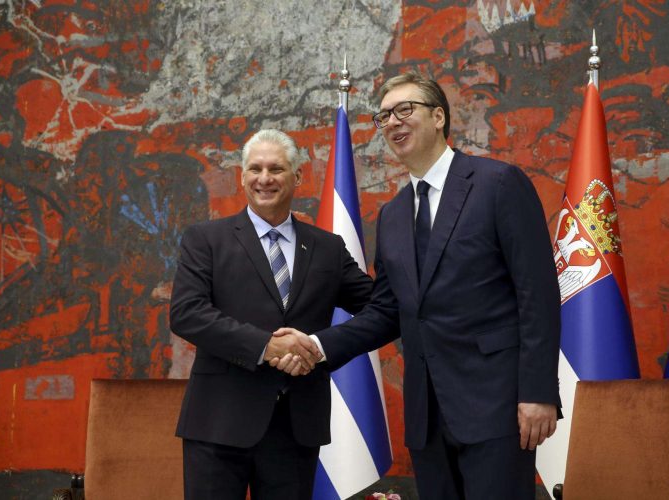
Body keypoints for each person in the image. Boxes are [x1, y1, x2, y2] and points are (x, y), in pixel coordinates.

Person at [274, 73, 562, 500]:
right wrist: (318, 346)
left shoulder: (498, 184)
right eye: (384, 115)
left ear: (439, 116)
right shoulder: (391, 215)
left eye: (405, 109)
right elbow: (387, 311)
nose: (392, 122)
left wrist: (539, 393)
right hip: (427, 416)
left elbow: (537, 294)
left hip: (498, 407)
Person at [169, 129, 372, 500]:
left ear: (297, 177)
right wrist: (267, 347)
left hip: (296, 428)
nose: (265, 179)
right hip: (219, 423)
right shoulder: (205, 239)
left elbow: (377, 308)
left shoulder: (328, 247)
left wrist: (319, 346)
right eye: (255, 169)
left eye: (276, 169)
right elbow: (187, 314)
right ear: (242, 176)